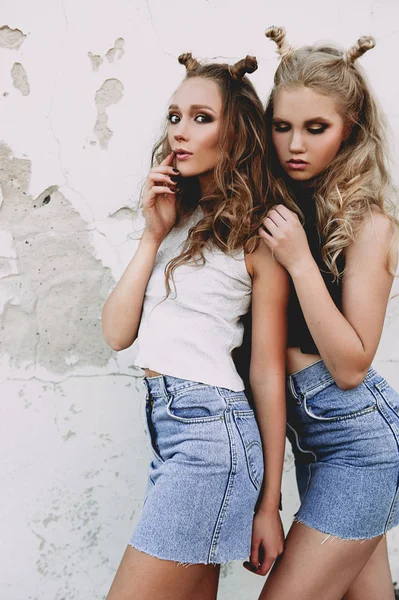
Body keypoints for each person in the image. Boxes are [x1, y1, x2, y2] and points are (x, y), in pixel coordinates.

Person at [102, 52, 288, 600]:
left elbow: (268, 374)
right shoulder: (174, 218)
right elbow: (117, 333)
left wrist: (270, 505)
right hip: (174, 435)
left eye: (202, 118)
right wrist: (150, 235)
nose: (181, 132)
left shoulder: (260, 235)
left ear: (238, 133)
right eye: (175, 116)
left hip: (211, 439)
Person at [252, 26, 399, 600]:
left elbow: (350, 366)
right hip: (313, 440)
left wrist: (299, 261)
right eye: (282, 126)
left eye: (317, 128)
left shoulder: (370, 225)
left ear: (351, 130)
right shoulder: (281, 203)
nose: (295, 144)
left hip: (357, 442)